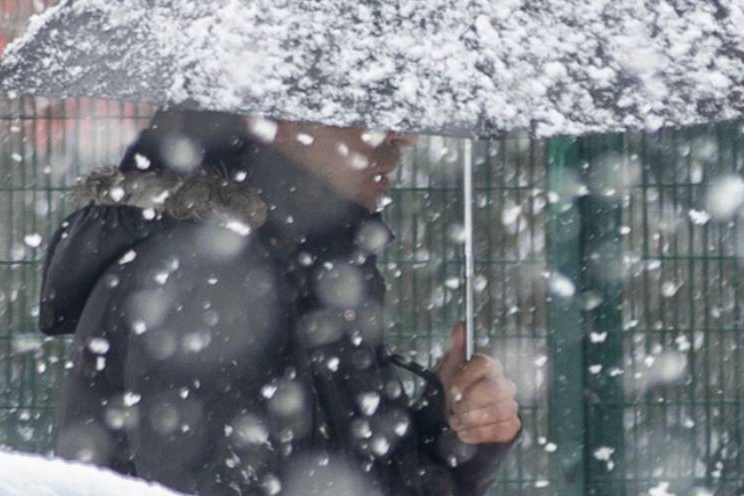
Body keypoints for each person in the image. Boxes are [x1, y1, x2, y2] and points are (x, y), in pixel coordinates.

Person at [38, 108, 521, 495]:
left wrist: (456, 435)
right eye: (366, 110)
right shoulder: (203, 281)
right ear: (275, 120)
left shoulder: (309, 269)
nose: (403, 137)